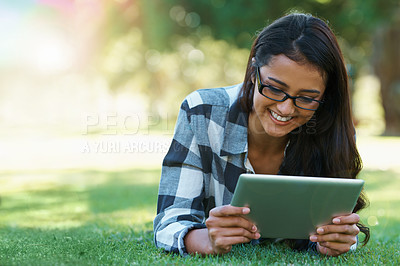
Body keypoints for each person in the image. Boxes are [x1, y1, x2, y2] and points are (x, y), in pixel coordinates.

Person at [153, 12, 370, 257]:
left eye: (307, 98)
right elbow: (169, 223)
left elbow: (340, 224)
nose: (285, 109)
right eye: (275, 89)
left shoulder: (332, 127)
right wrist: (205, 239)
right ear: (254, 70)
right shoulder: (202, 112)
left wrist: (336, 239)